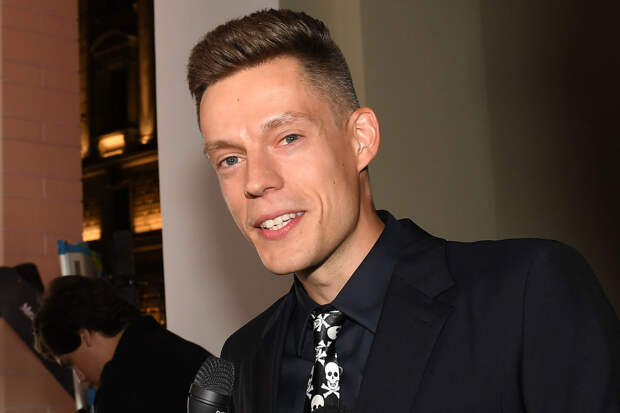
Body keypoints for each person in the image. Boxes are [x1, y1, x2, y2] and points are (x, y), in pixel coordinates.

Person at [186, 9, 620, 413]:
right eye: (230, 159)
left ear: (360, 139)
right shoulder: (245, 358)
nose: (255, 181)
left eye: (288, 138)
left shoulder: (525, 293)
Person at [33, 275, 210, 412]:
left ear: (84, 336)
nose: (81, 379)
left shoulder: (117, 392)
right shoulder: (162, 342)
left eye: (71, 363)